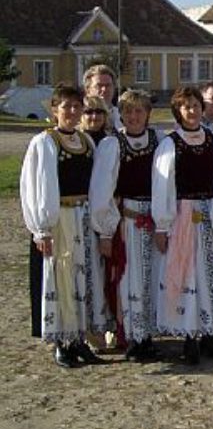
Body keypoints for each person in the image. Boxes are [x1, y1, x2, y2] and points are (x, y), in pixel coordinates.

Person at [20, 84, 107, 367]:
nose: (71, 111)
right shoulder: (45, 142)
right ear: (55, 110)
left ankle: (79, 339)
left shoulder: (86, 142)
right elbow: (37, 187)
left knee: (84, 279)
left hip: (82, 218)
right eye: (66, 106)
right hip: (58, 220)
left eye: (76, 106)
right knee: (60, 277)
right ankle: (61, 341)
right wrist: (41, 228)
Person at [152, 86, 213, 364]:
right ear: (178, 111)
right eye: (187, 107)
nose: (193, 111)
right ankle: (189, 337)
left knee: (210, 273)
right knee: (186, 274)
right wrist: (162, 225)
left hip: (210, 213)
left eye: (196, 105)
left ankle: (209, 333)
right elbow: (163, 186)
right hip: (182, 213)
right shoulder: (170, 144)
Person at [90, 89, 163, 362]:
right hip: (126, 222)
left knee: (151, 279)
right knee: (127, 280)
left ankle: (148, 336)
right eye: (128, 111)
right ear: (120, 114)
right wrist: (106, 230)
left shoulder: (158, 141)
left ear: (148, 114)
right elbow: (102, 190)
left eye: (139, 111)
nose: (134, 116)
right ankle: (130, 335)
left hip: (154, 222)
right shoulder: (112, 144)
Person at [83, 63, 122, 130]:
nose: (104, 89)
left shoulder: (123, 117)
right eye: (99, 86)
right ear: (87, 90)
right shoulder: (78, 118)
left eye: (108, 85)